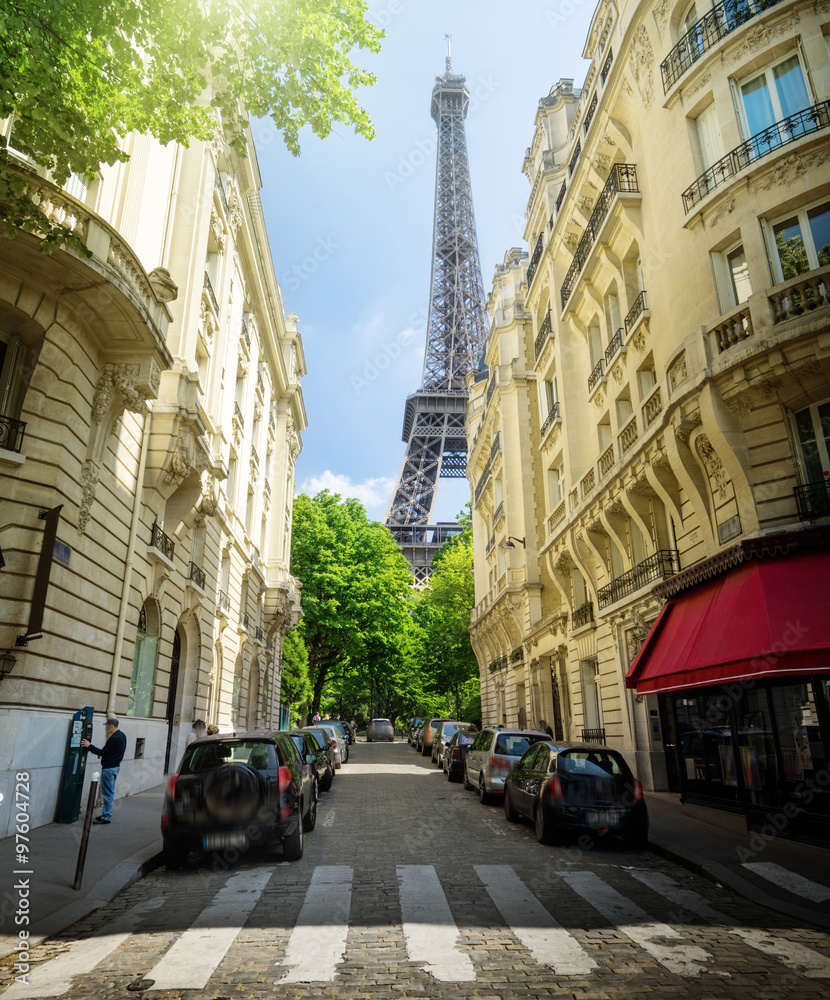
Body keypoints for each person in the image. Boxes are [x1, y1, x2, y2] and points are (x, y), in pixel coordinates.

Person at [80, 717, 127, 825]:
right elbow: (112, 751)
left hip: (109, 768)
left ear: (111, 725)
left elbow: (103, 751)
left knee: (108, 793)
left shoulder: (114, 738)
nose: (106, 728)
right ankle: (107, 814)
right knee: (109, 792)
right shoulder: (122, 736)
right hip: (115, 767)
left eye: (106, 726)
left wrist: (89, 746)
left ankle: (106, 817)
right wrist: (102, 754)